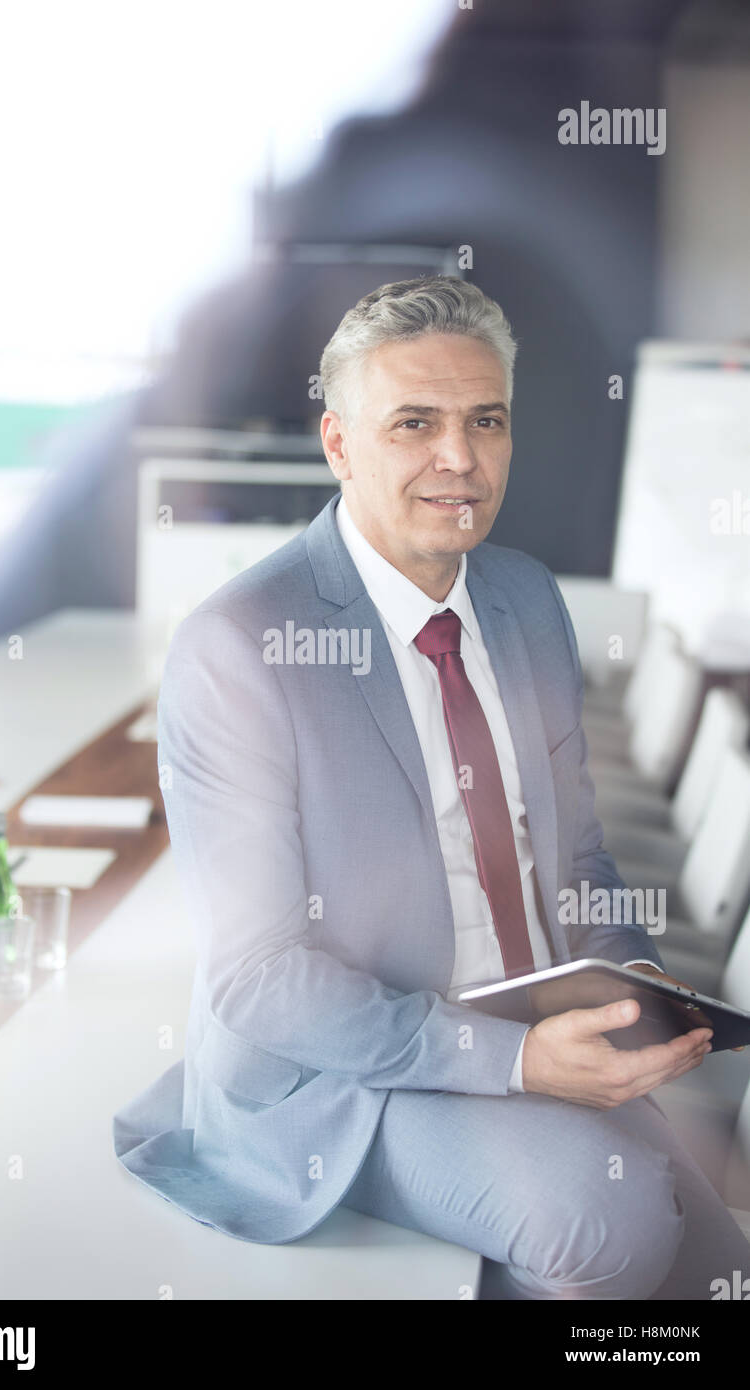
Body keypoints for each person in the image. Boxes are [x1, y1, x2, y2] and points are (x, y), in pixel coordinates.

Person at [113, 276, 749, 1299]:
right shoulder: (238, 646)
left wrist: (629, 990)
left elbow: (576, 856)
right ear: (337, 444)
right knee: (611, 1221)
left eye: (484, 421)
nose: (458, 458)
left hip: (525, 1024)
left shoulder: (527, 600)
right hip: (339, 1078)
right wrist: (516, 1065)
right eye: (414, 423)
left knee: (718, 1269)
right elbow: (260, 974)